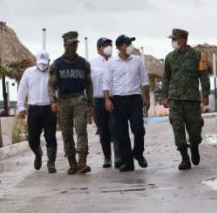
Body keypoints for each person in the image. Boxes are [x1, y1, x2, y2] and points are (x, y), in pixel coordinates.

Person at [162, 28, 210, 170]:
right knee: (177, 127)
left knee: (195, 129)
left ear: (182, 40)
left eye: (174, 39)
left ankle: (194, 146)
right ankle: (184, 158)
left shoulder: (197, 55)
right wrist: (165, 96)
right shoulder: (169, 57)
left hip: (192, 99)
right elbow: (166, 78)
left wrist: (205, 94)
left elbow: (203, 75)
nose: (172, 42)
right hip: (175, 99)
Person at [48, 31, 94, 175]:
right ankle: (72, 163)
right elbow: (51, 85)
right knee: (67, 133)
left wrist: (90, 102)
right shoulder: (56, 64)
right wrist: (53, 101)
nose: (73, 47)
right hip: (63, 100)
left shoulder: (84, 64)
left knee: (81, 130)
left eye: (75, 44)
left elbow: (89, 84)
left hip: (79, 98)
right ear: (65, 45)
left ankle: (82, 162)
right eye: (71, 44)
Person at [103, 35, 150, 172]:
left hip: (135, 100)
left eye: (130, 43)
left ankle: (139, 153)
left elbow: (145, 81)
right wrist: (107, 100)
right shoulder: (111, 63)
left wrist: (146, 99)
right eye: (127, 43)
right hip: (118, 101)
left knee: (139, 129)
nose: (130, 46)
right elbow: (105, 83)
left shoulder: (138, 61)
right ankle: (128, 162)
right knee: (122, 134)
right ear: (119, 47)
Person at [18, 50, 58, 173]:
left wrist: (58, 103)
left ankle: (51, 162)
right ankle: (38, 153)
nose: (42, 65)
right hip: (34, 109)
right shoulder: (28, 73)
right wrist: (21, 107)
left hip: (49, 109)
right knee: (32, 138)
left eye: (45, 63)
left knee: (50, 137)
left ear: (49, 61)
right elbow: (22, 90)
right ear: (36, 61)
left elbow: (59, 89)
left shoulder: (54, 73)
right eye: (40, 63)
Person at [90, 37, 120, 168]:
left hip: (115, 99)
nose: (108, 47)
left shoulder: (117, 61)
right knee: (103, 131)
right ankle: (107, 158)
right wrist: (89, 103)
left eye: (110, 44)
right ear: (98, 49)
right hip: (98, 100)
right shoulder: (91, 64)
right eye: (105, 45)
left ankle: (118, 157)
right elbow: (88, 84)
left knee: (115, 127)